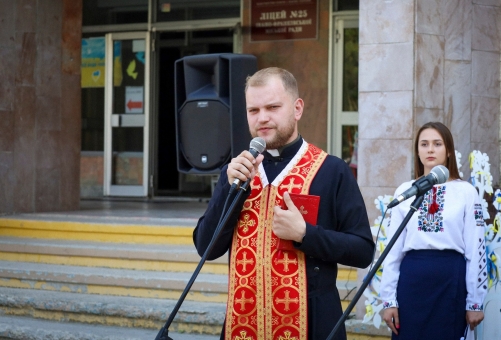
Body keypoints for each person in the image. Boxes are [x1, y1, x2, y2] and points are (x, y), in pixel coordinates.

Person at [193, 67, 375, 340]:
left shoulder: (331, 170)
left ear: (297, 108)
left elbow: (363, 251)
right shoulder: (237, 172)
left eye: (273, 107)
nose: (262, 118)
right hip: (243, 326)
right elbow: (206, 248)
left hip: (313, 325)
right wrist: (227, 191)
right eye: (253, 110)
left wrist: (306, 234)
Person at [380, 122, 487, 340]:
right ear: (417, 151)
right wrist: (388, 300)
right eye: (424, 144)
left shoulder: (466, 192)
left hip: (450, 280)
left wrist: (475, 301)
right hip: (411, 281)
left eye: (437, 144)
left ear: (448, 150)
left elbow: (476, 249)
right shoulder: (405, 191)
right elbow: (392, 251)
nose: (430, 149)